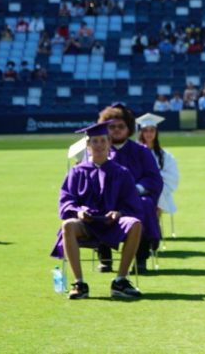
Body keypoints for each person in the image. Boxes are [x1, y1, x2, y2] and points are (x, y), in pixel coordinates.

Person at [50, 121, 143, 299]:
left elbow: (132, 203)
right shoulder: (77, 172)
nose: (99, 145)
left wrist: (119, 213)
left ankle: (120, 281)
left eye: (102, 141)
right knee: (68, 224)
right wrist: (78, 212)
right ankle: (80, 283)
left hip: (113, 223)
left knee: (135, 224)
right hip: (86, 224)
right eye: (94, 141)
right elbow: (66, 201)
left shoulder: (121, 172)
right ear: (88, 145)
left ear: (109, 143)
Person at [97, 104, 163, 274]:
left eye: (121, 126)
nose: (117, 130)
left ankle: (141, 258)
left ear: (129, 128)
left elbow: (154, 178)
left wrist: (135, 189)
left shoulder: (141, 152)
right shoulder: (97, 151)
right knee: (97, 206)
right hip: (106, 199)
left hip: (135, 198)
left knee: (145, 204)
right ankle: (105, 258)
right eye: (112, 127)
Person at [137, 113, 180, 219]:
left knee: (158, 194)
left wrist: (154, 179)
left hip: (157, 189)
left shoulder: (164, 155)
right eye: (146, 130)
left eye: (152, 130)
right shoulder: (134, 152)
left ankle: (155, 226)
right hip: (138, 188)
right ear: (141, 133)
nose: (149, 134)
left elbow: (172, 176)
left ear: (156, 132)